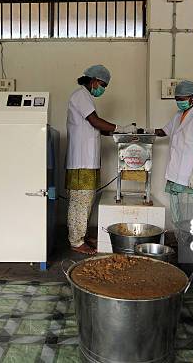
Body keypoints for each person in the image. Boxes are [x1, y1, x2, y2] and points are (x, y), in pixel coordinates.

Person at [66, 65, 136, 254]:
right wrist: (120, 128)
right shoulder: (80, 96)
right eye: (102, 85)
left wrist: (123, 132)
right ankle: (76, 241)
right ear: (94, 80)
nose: (102, 89)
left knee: (86, 201)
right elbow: (96, 122)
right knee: (80, 202)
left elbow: (98, 128)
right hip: (81, 161)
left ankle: (81, 234)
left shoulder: (86, 98)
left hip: (88, 160)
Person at [151, 80, 193, 225]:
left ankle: (191, 245)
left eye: (181, 99)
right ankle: (181, 243)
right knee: (177, 216)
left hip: (190, 175)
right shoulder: (178, 115)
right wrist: (145, 132)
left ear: (191, 97)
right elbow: (164, 131)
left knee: (191, 218)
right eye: (177, 100)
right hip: (175, 174)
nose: (178, 102)